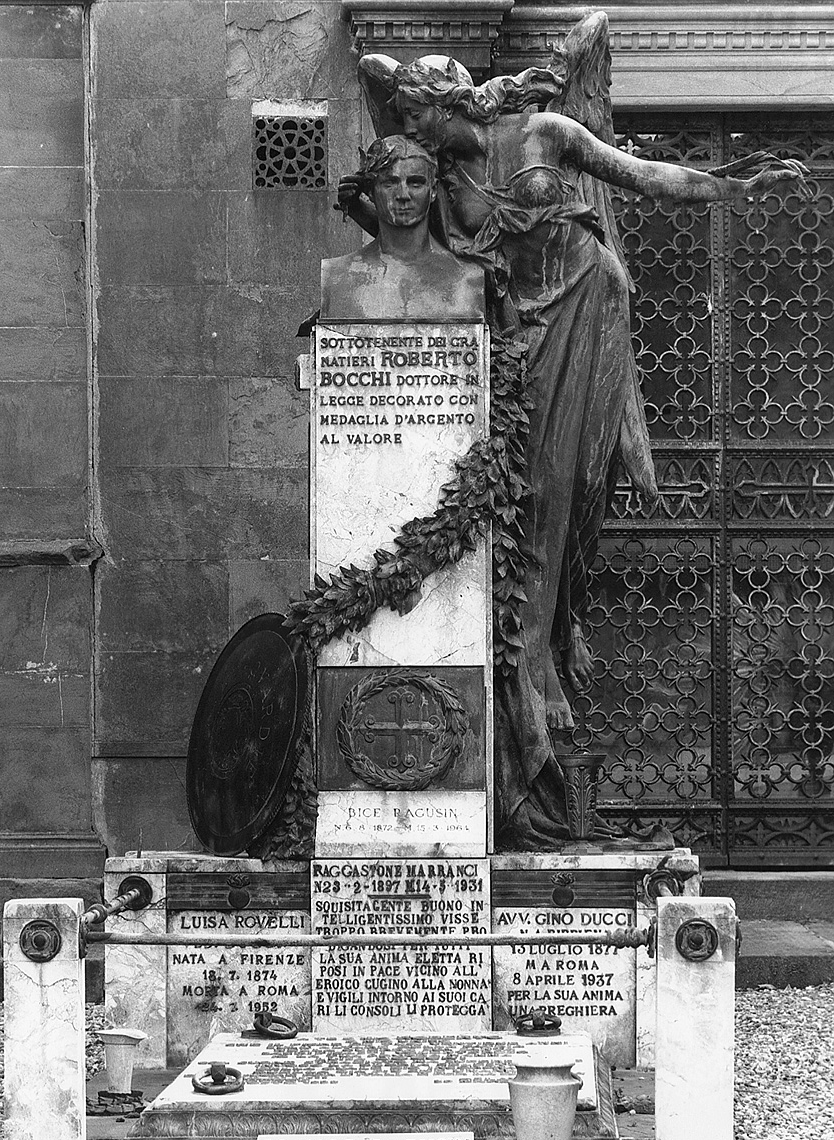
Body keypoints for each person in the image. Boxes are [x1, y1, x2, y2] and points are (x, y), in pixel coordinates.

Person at [342, 28, 808, 848]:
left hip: (587, 310)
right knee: (529, 502)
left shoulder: (544, 131)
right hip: (519, 344)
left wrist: (729, 183)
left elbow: (640, 175)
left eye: (421, 124)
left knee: (575, 488)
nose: (413, 144)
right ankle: (533, 672)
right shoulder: (436, 180)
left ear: (451, 105)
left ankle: (551, 646)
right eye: (406, 134)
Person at [321, 134, 484, 322]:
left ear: (432, 191)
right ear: (371, 192)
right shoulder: (338, 275)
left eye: (415, 183)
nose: (403, 195)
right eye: (389, 183)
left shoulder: (468, 277)